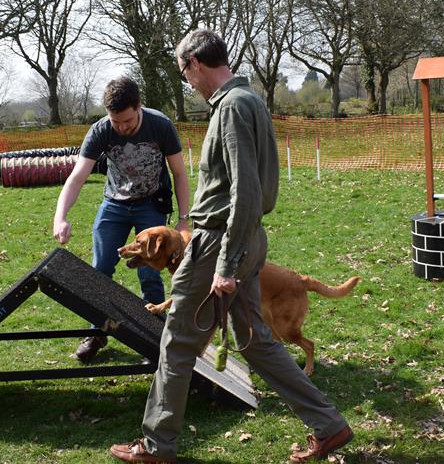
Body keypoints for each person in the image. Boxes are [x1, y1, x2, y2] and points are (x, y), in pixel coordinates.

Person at [109, 30, 353, 464]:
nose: (188, 83)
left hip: (221, 241)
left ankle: (157, 446)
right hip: (242, 239)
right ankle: (330, 426)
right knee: (256, 341)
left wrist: (226, 263)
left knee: (178, 341)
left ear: (196, 64)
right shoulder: (248, 101)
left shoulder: (234, 108)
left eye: (185, 73)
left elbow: (245, 191)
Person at [53, 76, 190, 361]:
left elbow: (178, 172)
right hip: (114, 204)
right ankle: (95, 333)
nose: (122, 127)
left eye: (127, 121)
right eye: (116, 122)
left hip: (151, 204)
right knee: (99, 269)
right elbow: (78, 176)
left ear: (138, 106)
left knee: (150, 270)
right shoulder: (101, 130)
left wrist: (183, 219)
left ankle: (154, 338)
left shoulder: (160, 125)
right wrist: (61, 216)